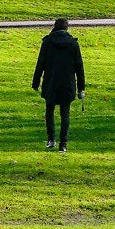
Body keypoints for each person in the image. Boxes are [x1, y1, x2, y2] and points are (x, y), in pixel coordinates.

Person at [32, 18, 85, 152]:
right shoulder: (73, 44)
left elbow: (40, 64)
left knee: (49, 110)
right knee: (65, 113)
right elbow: (79, 67)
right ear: (67, 28)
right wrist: (81, 88)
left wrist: (36, 82)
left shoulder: (47, 43)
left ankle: (51, 139)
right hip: (67, 82)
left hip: (51, 81)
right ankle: (63, 144)